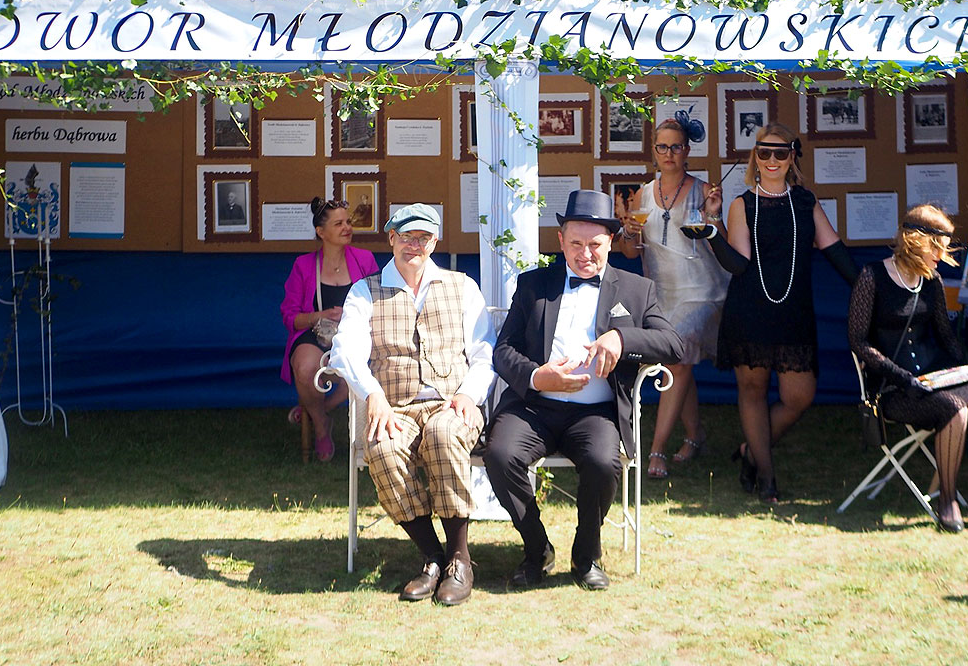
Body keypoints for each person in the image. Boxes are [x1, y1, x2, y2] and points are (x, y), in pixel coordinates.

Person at [484, 189, 684, 591]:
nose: (585, 254)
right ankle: (536, 549)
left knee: (602, 463)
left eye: (595, 245)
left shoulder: (636, 289)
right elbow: (503, 351)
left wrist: (622, 338)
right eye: (575, 244)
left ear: (610, 242)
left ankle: (586, 553)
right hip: (534, 406)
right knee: (500, 454)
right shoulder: (534, 284)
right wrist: (537, 377)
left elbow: (673, 345)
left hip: (596, 412)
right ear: (560, 241)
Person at [328, 203, 496, 606]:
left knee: (442, 435)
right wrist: (373, 394)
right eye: (406, 237)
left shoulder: (461, 286)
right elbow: (345, 350)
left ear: (435, 242)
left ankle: (460, 559)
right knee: (383, 447)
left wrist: (469, 394)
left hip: (450, 403)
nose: (414, 246)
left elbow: (484, 350)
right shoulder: (365, 291)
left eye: (423, 238)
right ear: (391, 238)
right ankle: (432, 556)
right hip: (395, 406)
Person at [702, 123, 859, 502]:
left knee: (799, 396)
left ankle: (750, 452)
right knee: (752, 392)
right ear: (755, 158)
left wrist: (870, 285)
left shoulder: (805, 202)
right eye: (764, 152)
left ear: (792, 157)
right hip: (749, 313)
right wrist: (711, 228)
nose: (772, 160)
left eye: (780, 153)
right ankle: (766, 477)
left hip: (794, 314)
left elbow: (834, 250)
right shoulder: (742, 205)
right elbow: (737, 264)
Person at [847, 204, 968, 533]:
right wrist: (902, 377)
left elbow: (945, 335)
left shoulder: (932, 281)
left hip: (935, 376)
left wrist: (966, 371)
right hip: (893, 387)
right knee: (956, 411)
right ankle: (947, 500)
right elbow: (858, 341)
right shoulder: (872, 276)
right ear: (915, 242)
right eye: (936, 247)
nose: (941, 256)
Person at [614, 118, 729, 479]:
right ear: (654, 151)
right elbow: (630, 252)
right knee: (680, 362)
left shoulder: (703, 190)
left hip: (705, 292)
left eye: (675, 146)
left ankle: (655, 450)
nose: (669, 153)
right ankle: (695, 436)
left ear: (687, 150)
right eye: (662, 147)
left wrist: (714, 215)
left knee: (677, 359)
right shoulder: (643, 195)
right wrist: (628, 231)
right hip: (662, 294)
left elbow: (722, 243)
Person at [278, 197, 379, 461]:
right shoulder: (303, 265)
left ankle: (317, 412)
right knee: (304, 367)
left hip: (355, 334)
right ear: (321, 232)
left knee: (354, 372)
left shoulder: (364, 259)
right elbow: (290, 317)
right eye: (338, 224)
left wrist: (352, 315)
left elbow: (380, 304)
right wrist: (319, 316)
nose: (347, 228)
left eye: (348, 222)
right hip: (316, 333)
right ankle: (322, 426)